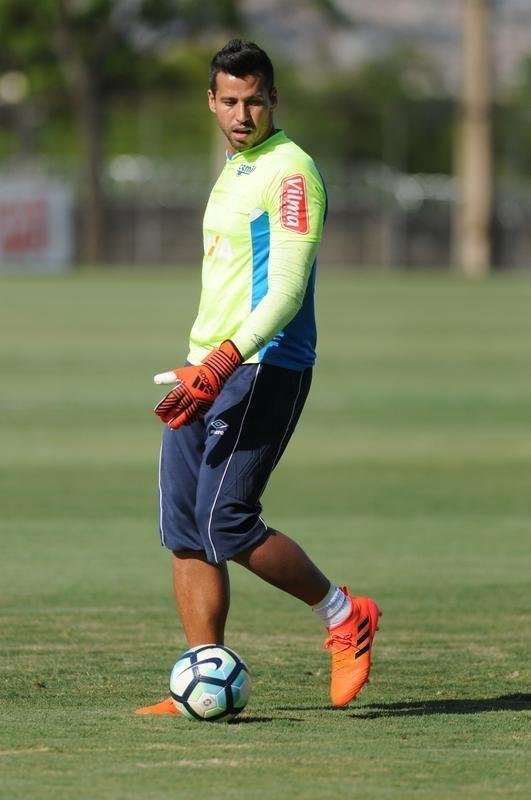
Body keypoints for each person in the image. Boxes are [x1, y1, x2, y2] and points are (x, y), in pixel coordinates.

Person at [136, 39, 381, 716]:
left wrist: (221, 362)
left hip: (261, 365)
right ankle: (197, 673)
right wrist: (199, 361)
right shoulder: (234, 167)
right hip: (205, 364)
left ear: (272, 99)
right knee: (185, 528)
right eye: (230, 101)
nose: (242, 113)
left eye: (254, 100)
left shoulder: (290, 171)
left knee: (228, 521)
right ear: (211, 101)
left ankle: (344, 615)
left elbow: (286, 292)